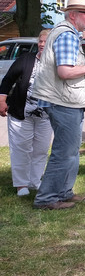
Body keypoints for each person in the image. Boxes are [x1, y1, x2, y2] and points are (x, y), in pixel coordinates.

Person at [31, 0, 85, 209]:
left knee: (70, 150)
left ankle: (64, 192)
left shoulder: (67, 33)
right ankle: (46, 199)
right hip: (63, 101)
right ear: (72, 15)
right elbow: (64, 72)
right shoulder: (67, 35)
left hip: (65, 101)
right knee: (64, 152)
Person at [0, 29, 53, 196]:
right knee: (21, 148)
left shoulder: (57, 64)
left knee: (41, 150)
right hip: (21, 114)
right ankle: (21, 185)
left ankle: (35, 181)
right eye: (40, 41)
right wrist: (1, 100)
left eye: (46, 41)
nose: (42, 44)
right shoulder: (26, 59)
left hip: (46, 116)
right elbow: (7, 80)